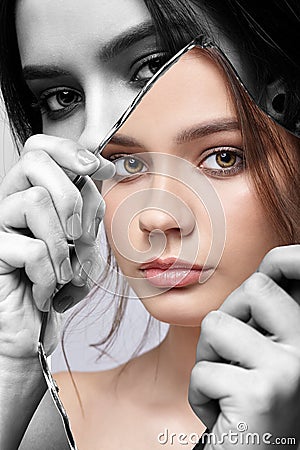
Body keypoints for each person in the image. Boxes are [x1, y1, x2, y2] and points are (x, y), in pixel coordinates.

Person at [0, 1, 299, 449]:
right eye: (61, 97)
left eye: (221, 158)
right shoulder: (53, 421)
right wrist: (9, 368)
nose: (94, 139)